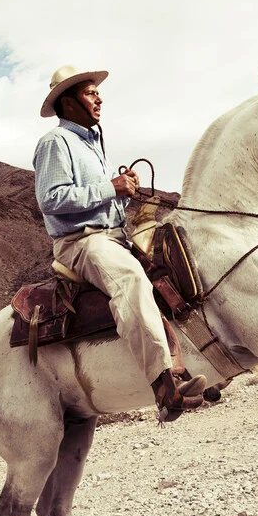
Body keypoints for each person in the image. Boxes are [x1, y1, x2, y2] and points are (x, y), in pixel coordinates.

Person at [33, 65, 206, 422]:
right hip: (80, 242)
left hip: (113, 235)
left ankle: (199, 360)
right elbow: (51, 200)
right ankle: (163, 385)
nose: (99, 98)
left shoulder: (92, 143)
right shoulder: (56, 143)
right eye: (90, 93)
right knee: (129, 279)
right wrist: (110, 188)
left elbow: (100, 200)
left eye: (98, 92)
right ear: (68, 101)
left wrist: (122, 192)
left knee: (171, 266)